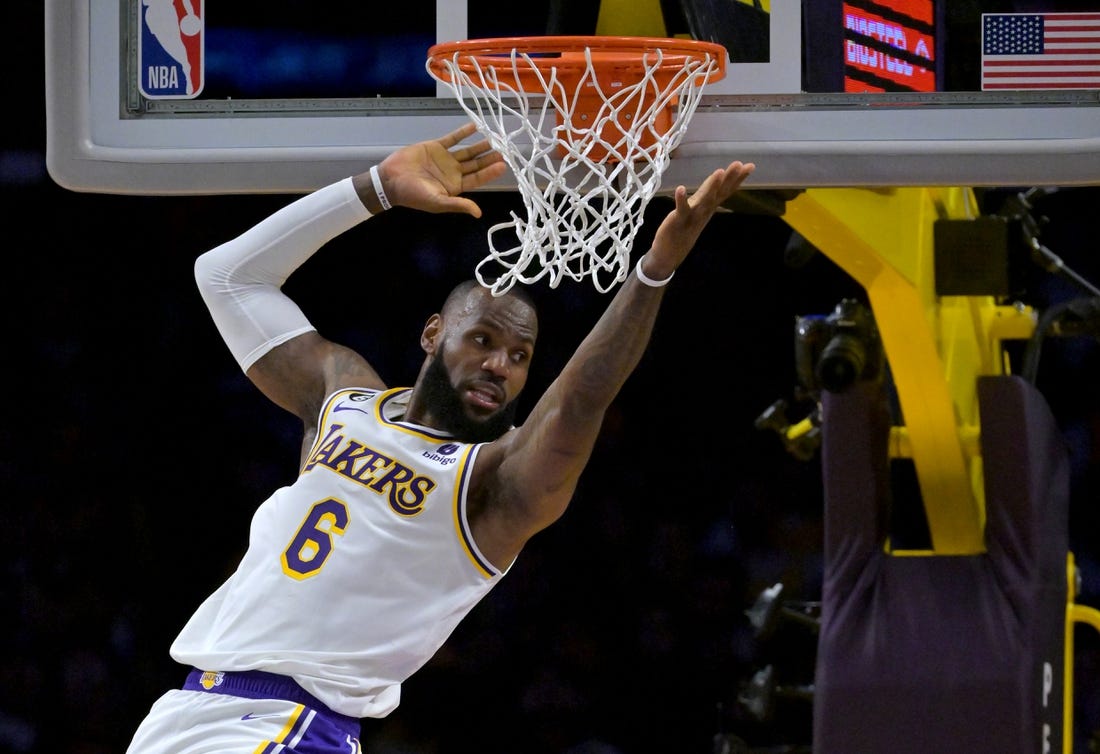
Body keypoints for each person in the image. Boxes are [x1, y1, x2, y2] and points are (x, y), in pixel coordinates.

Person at [124, 121, 754, 754]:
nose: (499, 365)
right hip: (186, 708)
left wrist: (654, 270)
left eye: (519, 355)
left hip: (285, 727)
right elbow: (228, 276)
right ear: (433, 335)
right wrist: (376, 188)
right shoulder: (341, 398)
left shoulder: (492, 485)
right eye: (482, 339)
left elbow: (580, 401)